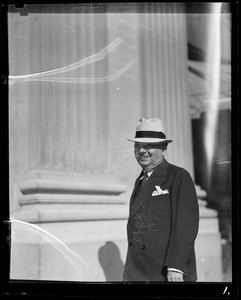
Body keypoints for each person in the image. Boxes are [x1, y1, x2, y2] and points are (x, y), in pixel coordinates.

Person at [123, 118, 199, 282]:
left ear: (163, 148)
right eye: (137, 145)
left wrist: (176, 266)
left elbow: (186, 224)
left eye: (148, 145)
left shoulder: (178, 176)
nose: (141, 150)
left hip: (166, 272)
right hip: (139, 270)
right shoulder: (141, 180)